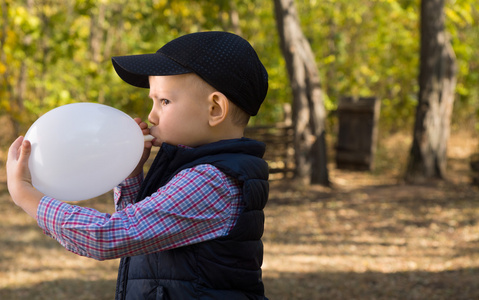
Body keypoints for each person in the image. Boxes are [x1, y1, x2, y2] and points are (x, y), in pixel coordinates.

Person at [6, 31, 269, 299]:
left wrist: (27, 197)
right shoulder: (190, 168)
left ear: (215, 109)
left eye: (164, 101)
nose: (152, 115)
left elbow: (111, 236)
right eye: (152, 101)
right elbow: (140, 234)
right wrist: (132, 174)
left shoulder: (211, 180)